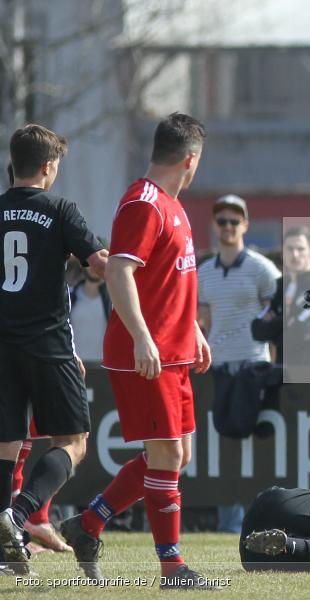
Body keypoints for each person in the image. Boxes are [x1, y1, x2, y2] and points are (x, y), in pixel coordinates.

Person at [58, 113, 217, 590]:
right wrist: (145, 337)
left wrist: (194, 330)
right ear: (190, 160)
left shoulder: (173, 205)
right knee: (167, 454)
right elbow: (119, 272)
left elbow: (169, 282)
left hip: (174, 350)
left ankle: (87, 525)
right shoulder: (143, 203)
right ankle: (173, 570)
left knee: (177, 454)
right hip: (146, 353)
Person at [0, 125, 107, 574]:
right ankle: (18, 517)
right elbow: (99, 265)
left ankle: (6, 552)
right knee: (74, 443)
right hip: (48, 343)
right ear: (48, 168)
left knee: (6, 446)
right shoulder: (60, 209)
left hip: (2, 345)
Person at [196, 194, 280, 531]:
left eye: (235, 221)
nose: (228, 227)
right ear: (215, 227)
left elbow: (278, 316)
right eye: (222, 221)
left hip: (253, 366)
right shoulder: (204, 272)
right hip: (218, 367)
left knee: (255, 449)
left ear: (245, 224)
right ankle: (230, 523)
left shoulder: (262, 268)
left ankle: (259, 519)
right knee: (224, 449)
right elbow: (201, 319)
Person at [251, 224, 310, 367]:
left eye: (300, 249)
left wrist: (275, 324)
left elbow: (301, 331)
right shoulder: (279, 285)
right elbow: (257, 330)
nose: (295, 254)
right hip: (282, 375)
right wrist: (288, 321)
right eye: (290, 249)